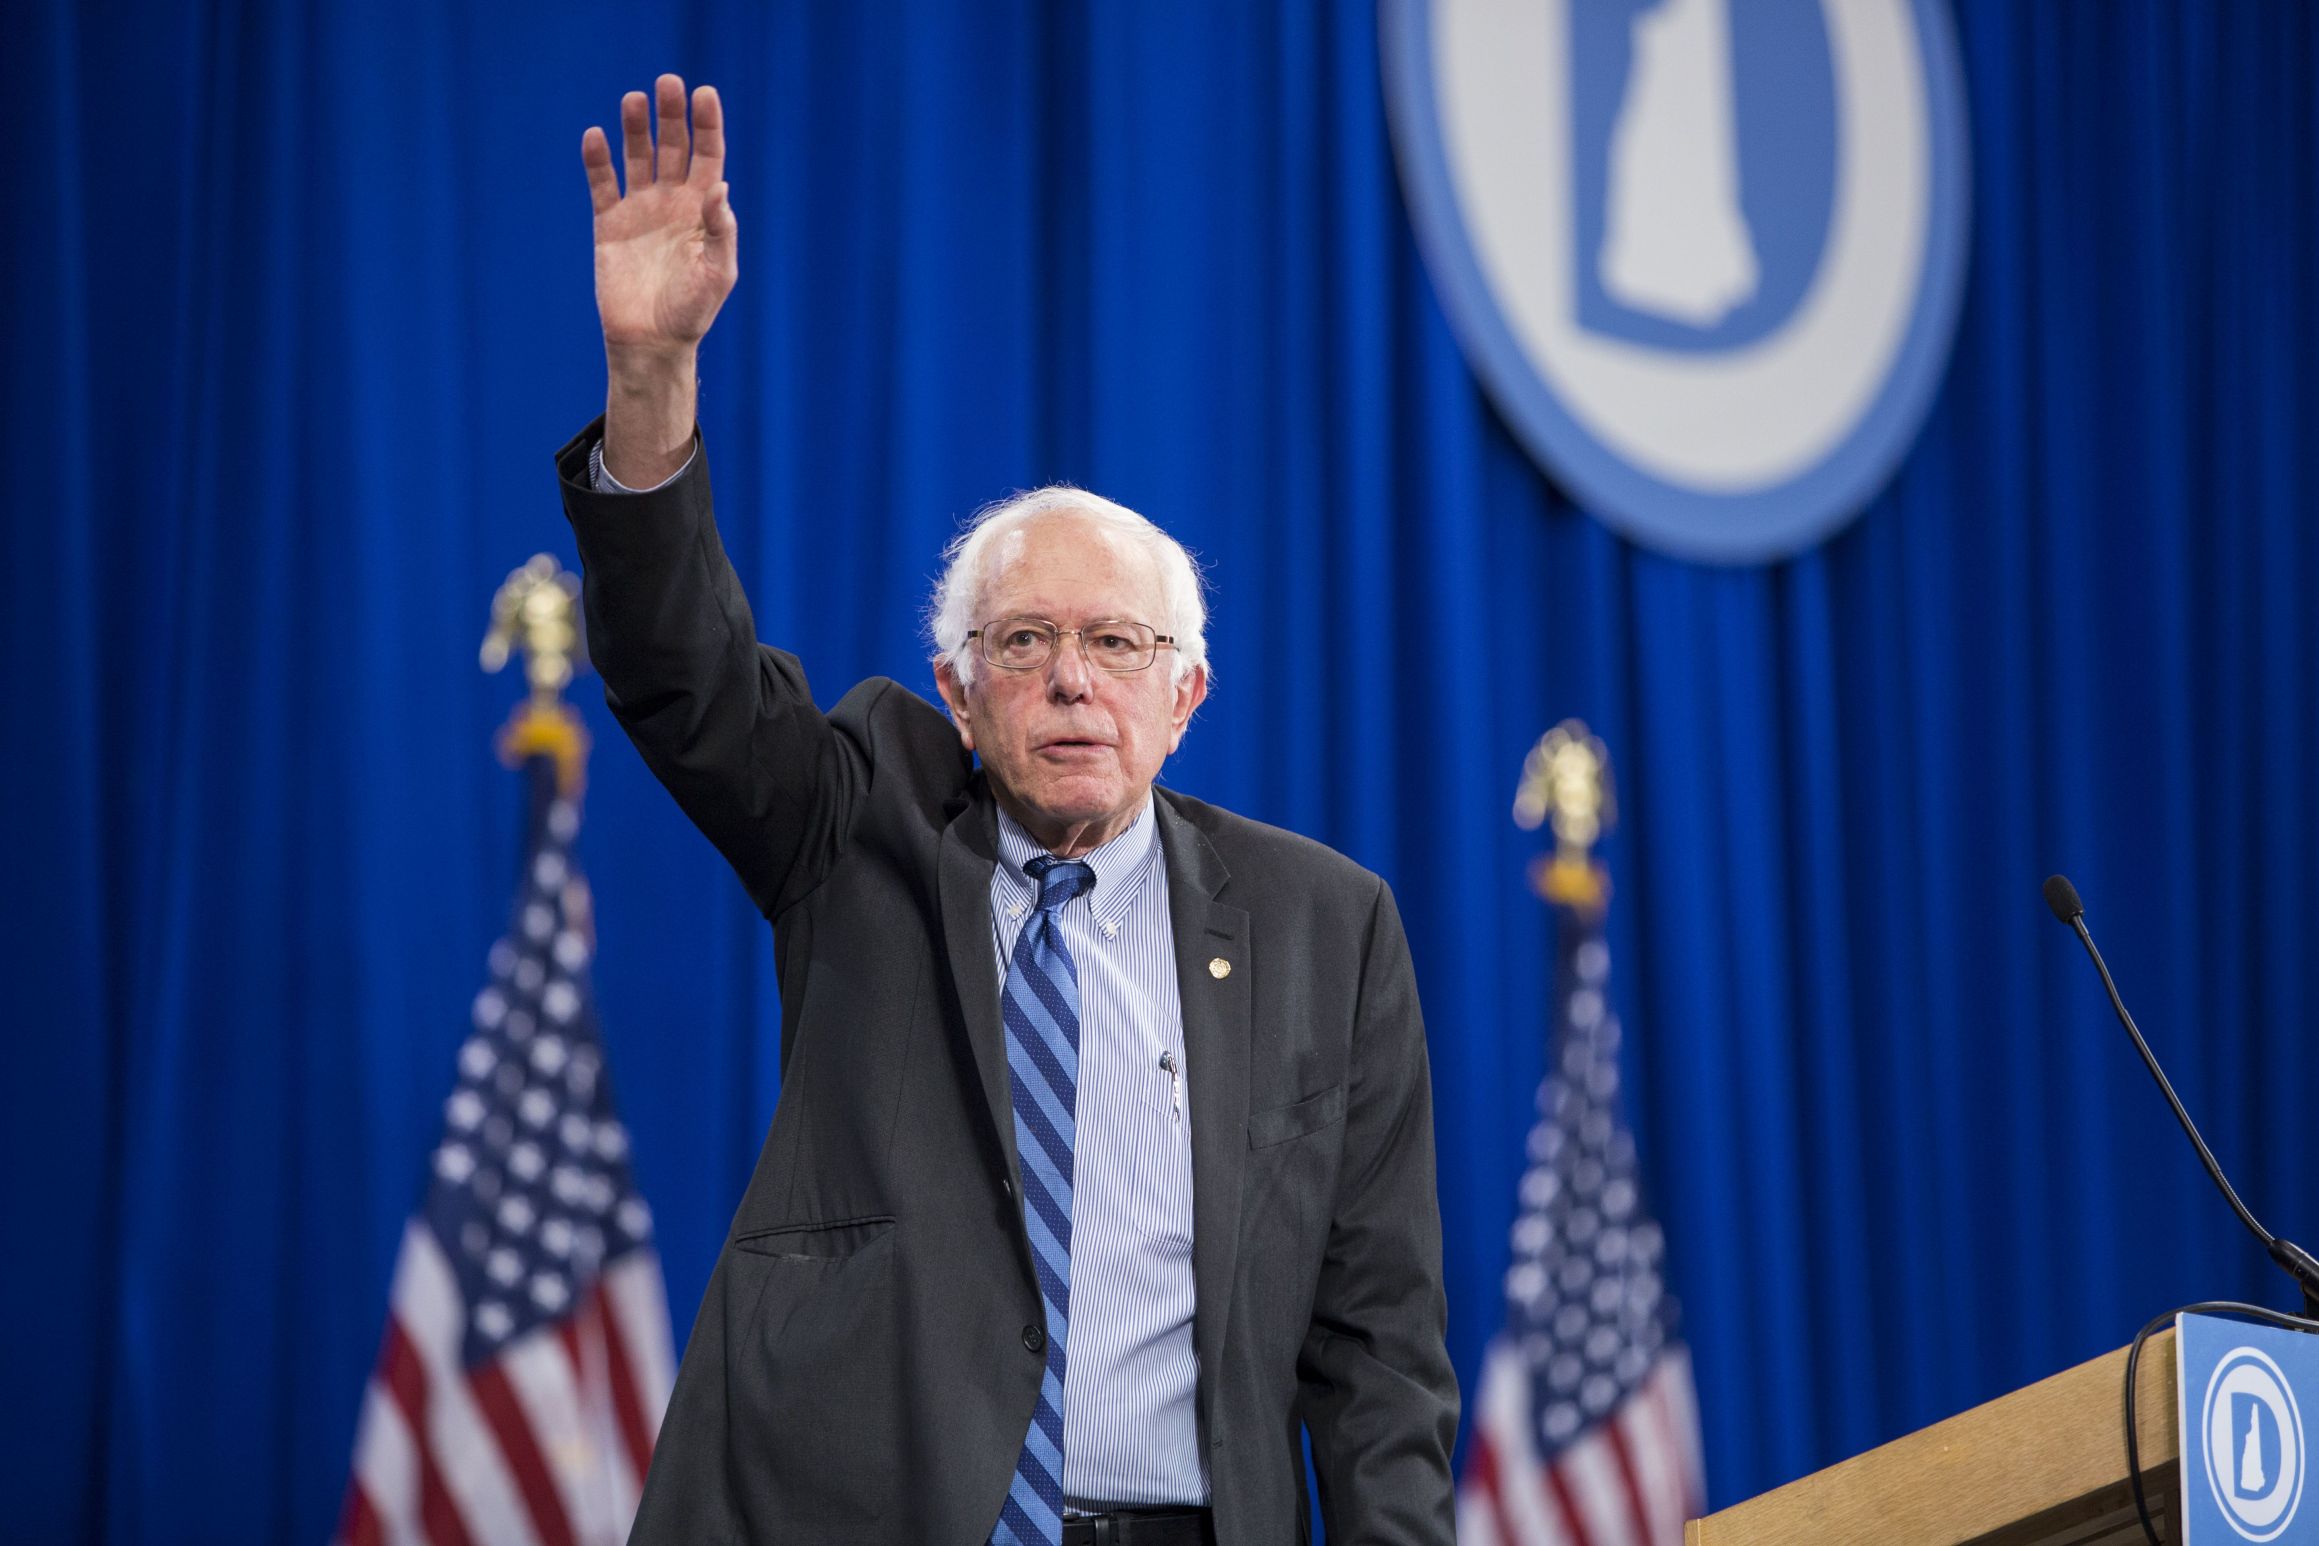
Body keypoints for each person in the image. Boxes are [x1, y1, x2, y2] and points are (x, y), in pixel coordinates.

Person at [560, 74, 1457, 1545]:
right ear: (956, 693)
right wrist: (651, 382)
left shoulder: (1324, 929)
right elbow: (685, 675)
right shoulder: (861, 819)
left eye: (1118, 645)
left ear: (1188, 697)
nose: (1070, 682)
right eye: (1022, 644)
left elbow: (1377, 1355)